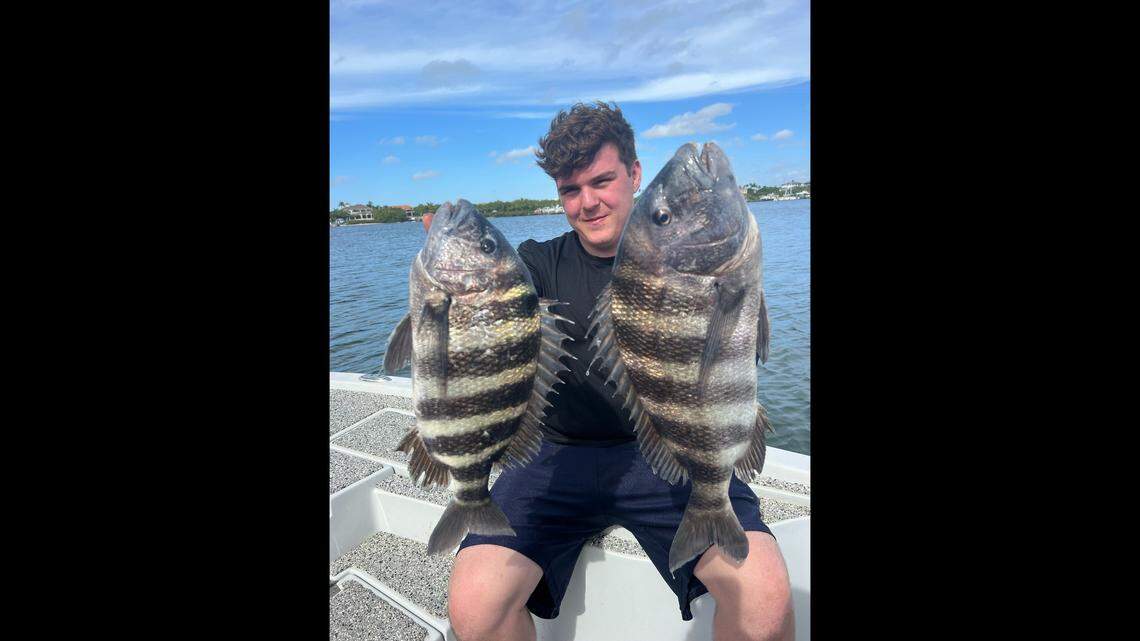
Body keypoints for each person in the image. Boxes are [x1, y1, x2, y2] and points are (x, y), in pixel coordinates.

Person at [446, 101, 795, 641]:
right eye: (570, 190)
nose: (587, 203)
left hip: (670, 449)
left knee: (766, 602)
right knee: (475, 607)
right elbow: (490, 298)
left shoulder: (693, 258)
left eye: (602, 181)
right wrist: (451, 283)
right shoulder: (539, 263)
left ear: (634, 174)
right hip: (556, 455)